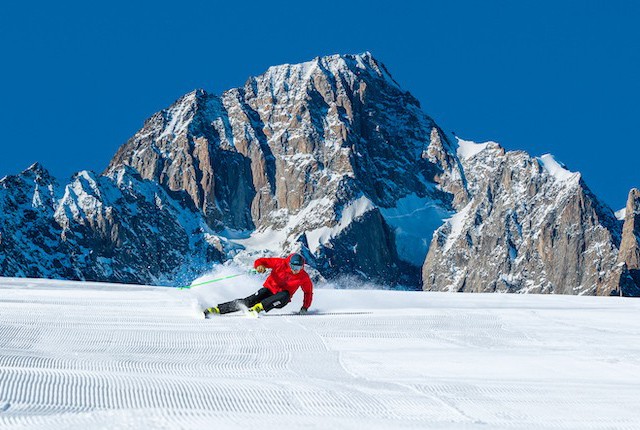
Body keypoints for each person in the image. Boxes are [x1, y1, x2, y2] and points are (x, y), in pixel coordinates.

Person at [204, 253, 313, 317]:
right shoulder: (280, 263)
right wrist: (259, 266)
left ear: (302, 267)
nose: (295, 270)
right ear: (289, 263)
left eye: (298, 268)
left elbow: (308, 292)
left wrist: (305, 307)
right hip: (268, 290)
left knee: (285, 294)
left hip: (280, 300)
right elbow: (261, 261)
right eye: (293, 267)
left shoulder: (304, 277)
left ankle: (258, 308)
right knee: (249, 301)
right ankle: (218, 310)